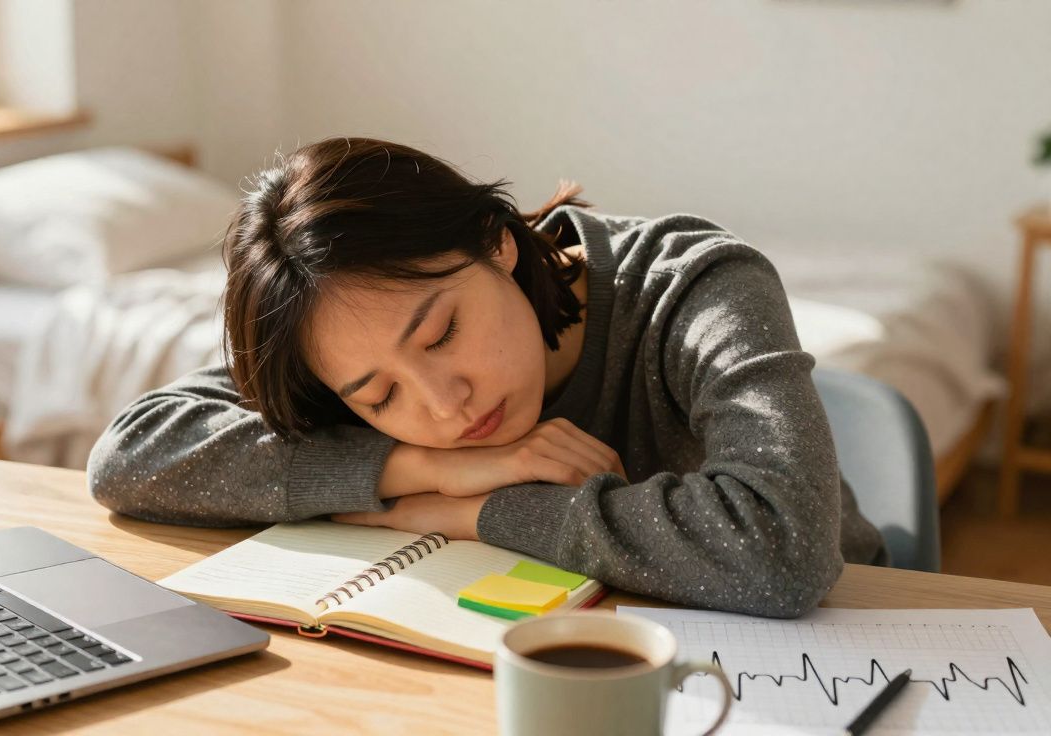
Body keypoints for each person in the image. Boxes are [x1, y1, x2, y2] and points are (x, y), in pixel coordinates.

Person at [87, 137, 886, 618]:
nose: (441, 403)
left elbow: (783, 550)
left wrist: (481, 511)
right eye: (378, 397)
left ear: (498, 242)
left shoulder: (696, 283)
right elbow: (131, 456)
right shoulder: (338, 333)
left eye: (442, 334)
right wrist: (432, 468)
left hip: (831, 647)